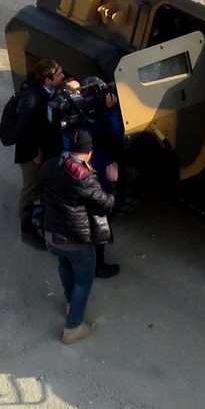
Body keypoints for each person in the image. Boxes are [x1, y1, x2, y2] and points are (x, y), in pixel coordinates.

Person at [42, 126, 115, 344]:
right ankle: (73, 327)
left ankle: (69, 303)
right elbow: (106, 205)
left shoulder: (51, 165)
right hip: (75, 239)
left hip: (51, 234)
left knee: (64, 265)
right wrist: (112, 181)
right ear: (89, 153)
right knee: (84, 280)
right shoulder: (84, 178)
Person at [8, 59, 65, 247]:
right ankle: (27, 230)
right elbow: (23, 131)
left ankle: (42, 219)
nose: (63, 76)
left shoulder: (48, 91)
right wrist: (35, 153)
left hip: (46, 150)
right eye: (59, 75)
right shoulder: (32, 98)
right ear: (48, 80)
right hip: (32, 154)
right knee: (31, 190)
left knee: (43, 187)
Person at [76, 77, 125, 279]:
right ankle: (97, 265)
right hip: (99, 181)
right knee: (99, 224)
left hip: (78, 179)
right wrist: (111, 111)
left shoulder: (75, 120)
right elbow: (116, 138)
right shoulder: (99, 130)